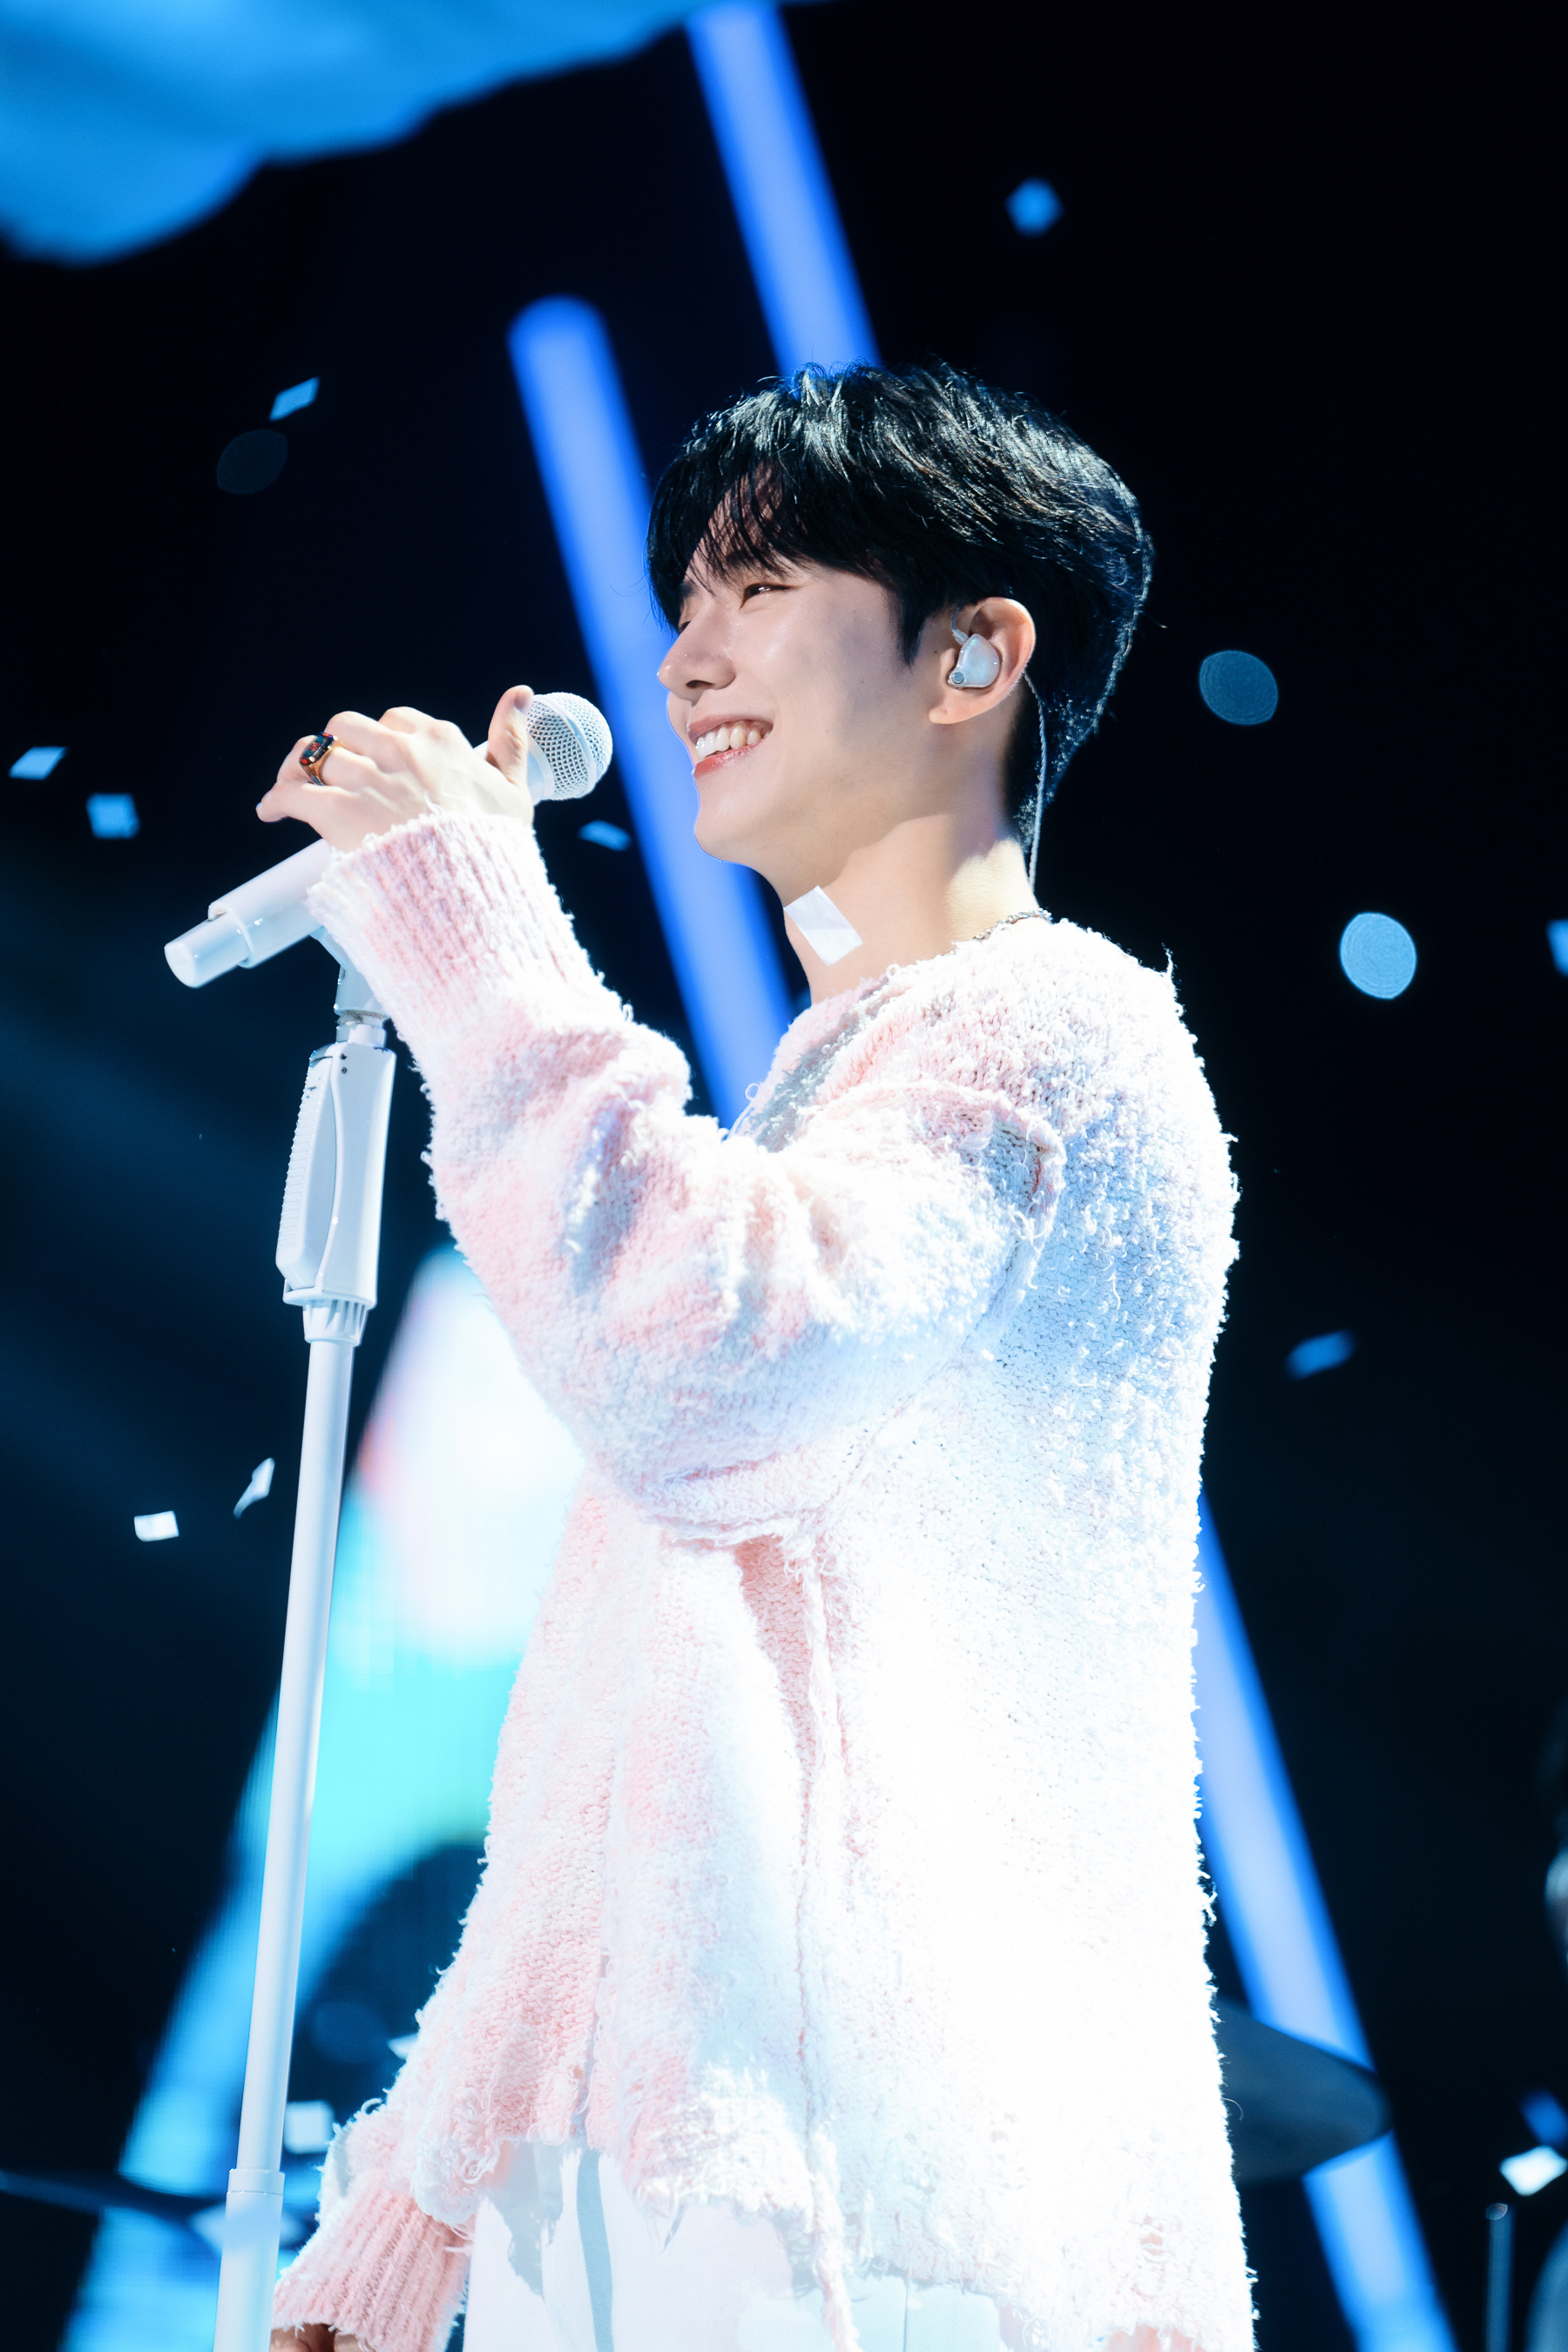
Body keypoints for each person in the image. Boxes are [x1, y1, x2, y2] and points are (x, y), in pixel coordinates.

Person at [264, 363, 1250, 2352]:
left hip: (874, 2208)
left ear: (974, 654)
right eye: (682, 602)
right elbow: (629, 1769)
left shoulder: (1056, 1030)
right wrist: (396, 2241)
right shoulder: (842, 1087)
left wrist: (472, 916)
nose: (682, 657)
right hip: (673, 2193)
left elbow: (705, 1364)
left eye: (760, 589)